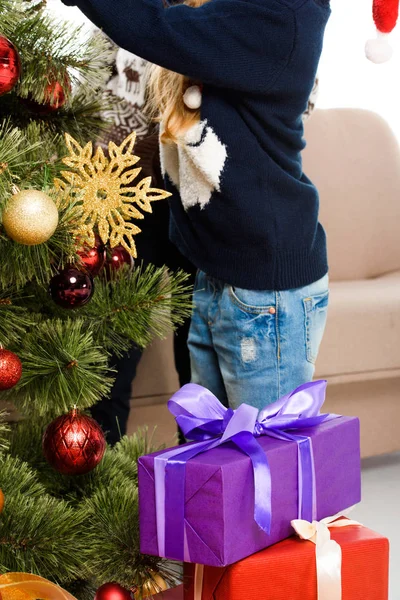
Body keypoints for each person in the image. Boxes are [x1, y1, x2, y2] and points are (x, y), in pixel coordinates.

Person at [61, 0, 331, 411]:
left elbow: (162, 28)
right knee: (209, 449)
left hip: (261, 282)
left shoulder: (281, 16)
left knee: (262, 455)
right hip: (217, 270)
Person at [90, 46, 196, 445]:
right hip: (130, 191)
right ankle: (95, 475)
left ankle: (200, 475)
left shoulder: (232, 15)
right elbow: (91, 100)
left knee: (199, 351)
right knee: (113, 349)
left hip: (205, 193)